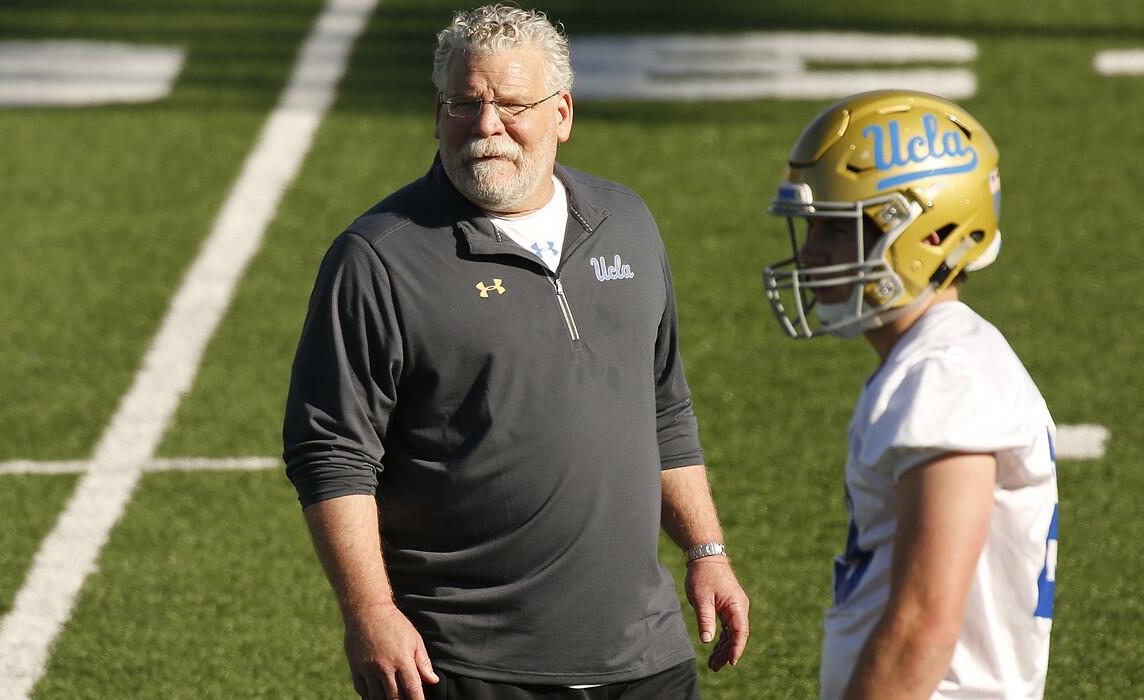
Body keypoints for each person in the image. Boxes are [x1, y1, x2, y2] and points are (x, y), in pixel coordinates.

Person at [282, 5, 749, 699]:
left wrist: (706, 550)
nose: (486, 126)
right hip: (468, 664)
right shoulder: (378, 259)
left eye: (510, 104)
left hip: (644, 654)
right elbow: (332, 455)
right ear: (437, 113)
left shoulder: (627, 223)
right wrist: (370, 613)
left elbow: (663, 406)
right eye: (464, 104)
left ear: (561, 112)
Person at [761, 90, 1058, 699]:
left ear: (926, 236)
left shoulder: (947, 373)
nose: (810, 253)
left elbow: (923, 625)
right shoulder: (937, 360)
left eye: (836, 232)